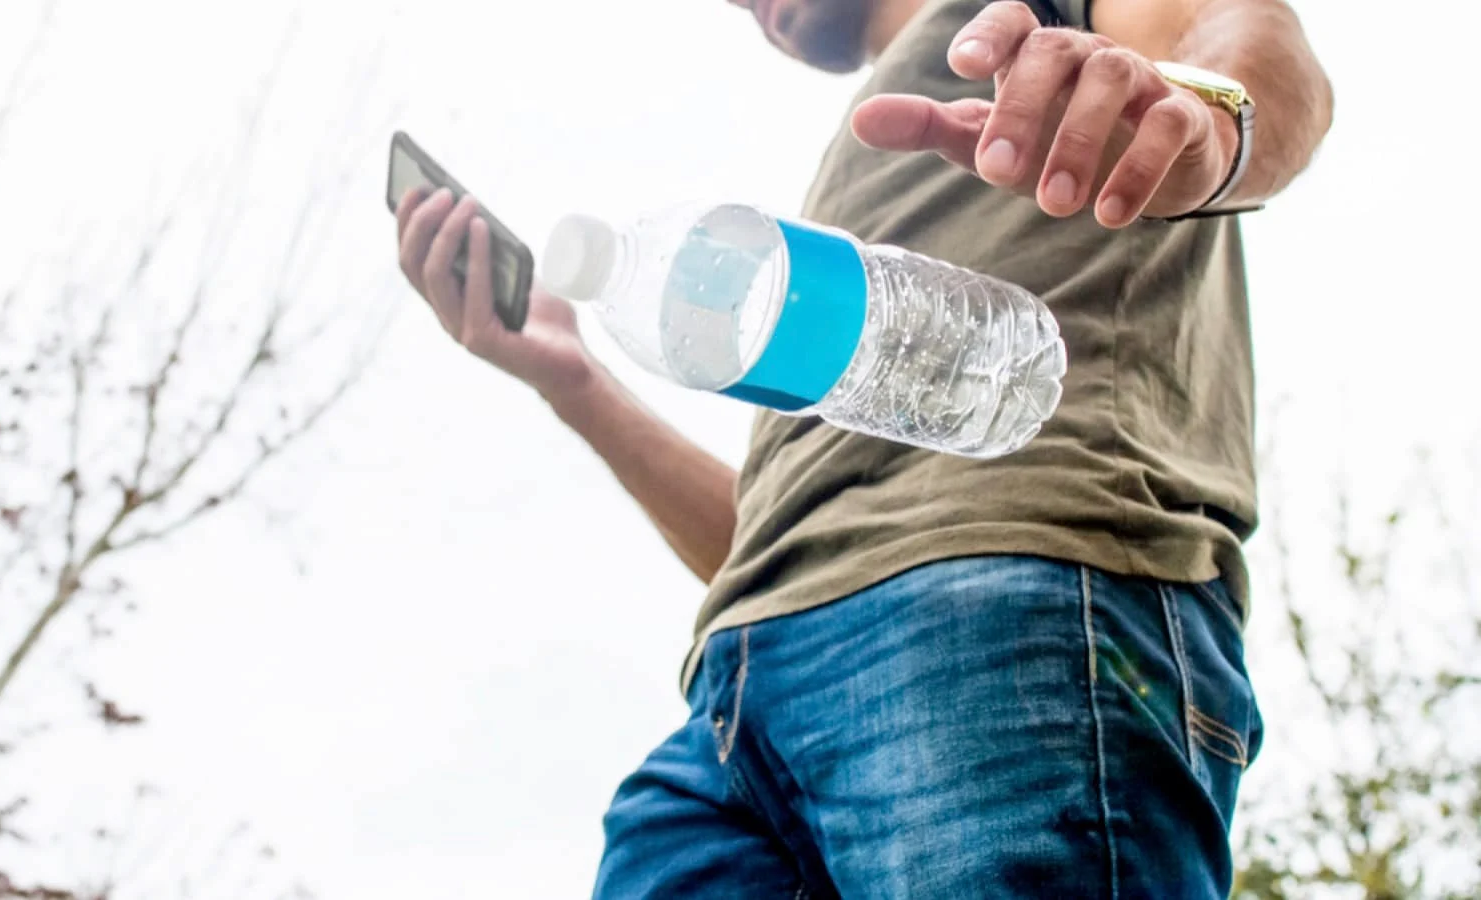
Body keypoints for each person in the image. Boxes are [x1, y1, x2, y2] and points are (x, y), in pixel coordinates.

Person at [393, 0, 1332, 895]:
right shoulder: (847, 178)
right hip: (728, 709)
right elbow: (764, 544)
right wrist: (572, 380)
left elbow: (1255, 40)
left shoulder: (1035, 24)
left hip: (1001, 601)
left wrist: (1213, 128)